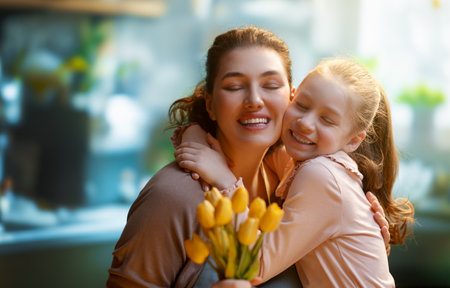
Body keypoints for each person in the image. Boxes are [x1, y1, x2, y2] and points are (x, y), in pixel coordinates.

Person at [106, 27, 389, 287]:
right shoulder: (174, 196)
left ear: (288, 97)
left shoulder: (291, 176)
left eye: (270, 85)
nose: (254, 100)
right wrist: (193, 134)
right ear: (211, 104)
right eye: (234, 86)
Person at [175, 58, 415, 286]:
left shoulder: (321, 175)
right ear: (292, 97)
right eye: (301, 105)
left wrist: (224, 180)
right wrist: (195, 134)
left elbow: (255, 266)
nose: (305, 123)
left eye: (327, 120)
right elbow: (265, 152)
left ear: (353, 141)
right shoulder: (306, 159)